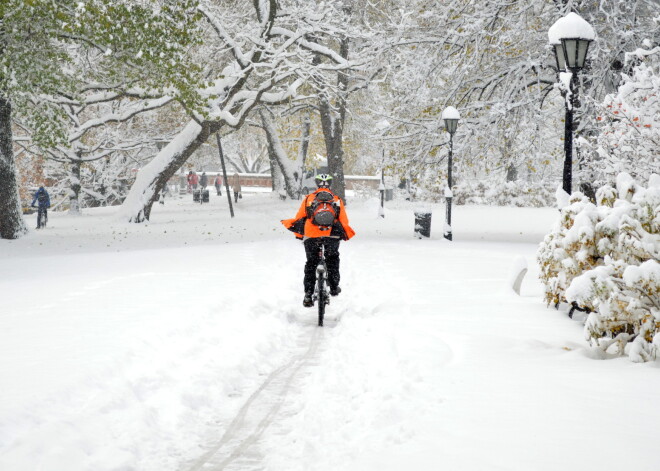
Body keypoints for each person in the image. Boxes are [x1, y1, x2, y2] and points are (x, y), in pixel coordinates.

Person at [281, 174, 355, 307]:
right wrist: (343, 234)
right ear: (330, 185)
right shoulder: (337, 200)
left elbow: (300, 217)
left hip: (311, 235)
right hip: (332, 234)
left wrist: (300, 235)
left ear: (317, 185)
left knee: (311, 263)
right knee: (332, 258)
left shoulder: (309, 199)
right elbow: (344, 220)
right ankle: (333, 286)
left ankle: (308, 294)